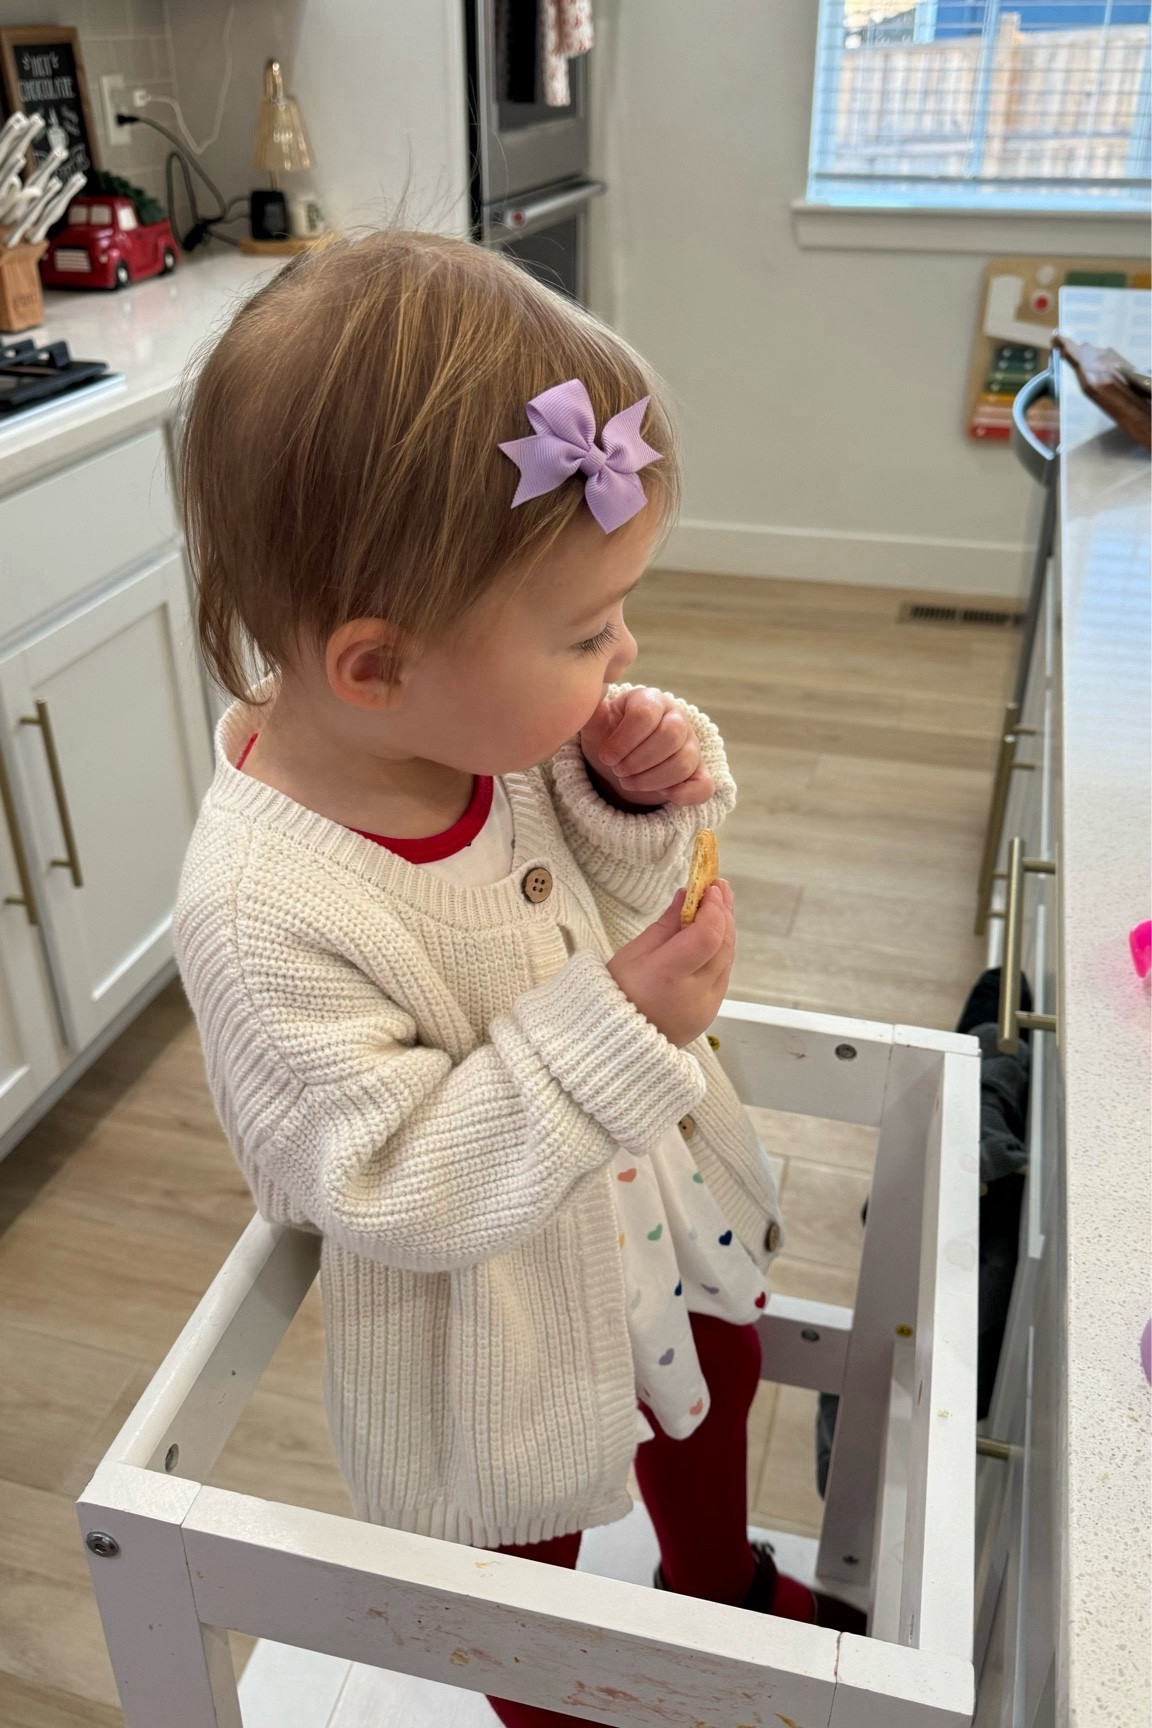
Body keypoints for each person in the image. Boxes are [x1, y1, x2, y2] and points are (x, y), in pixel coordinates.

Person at [174, 229, 860, 1727]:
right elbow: (388, 1184)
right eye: (586, 631)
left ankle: (719, 1578)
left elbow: (610, 894)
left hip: (651, 1213)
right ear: (376, 667)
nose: (626, 648)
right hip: (494, 1329)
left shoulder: (492, 731)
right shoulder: (259, 903)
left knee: (716, 1385)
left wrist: (628, 792)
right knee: (517, 1576)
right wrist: (621, 1024)